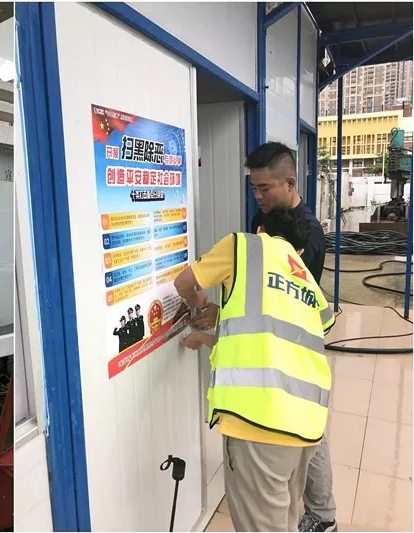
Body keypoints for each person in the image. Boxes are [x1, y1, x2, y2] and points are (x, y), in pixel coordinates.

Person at [191, 142, 335, 533]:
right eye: (253, 187)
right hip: (294, 388)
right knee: (289, 483)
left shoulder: (309, 236)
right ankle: (318, 513)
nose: (258, 196)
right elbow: (259, 303)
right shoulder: (268, 216)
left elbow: (286, 310)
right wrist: (221, 315)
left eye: (265, 188)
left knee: (307, 442)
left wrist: (210, 316)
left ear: (290, 183)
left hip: (286, 381)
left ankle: (323, 515)